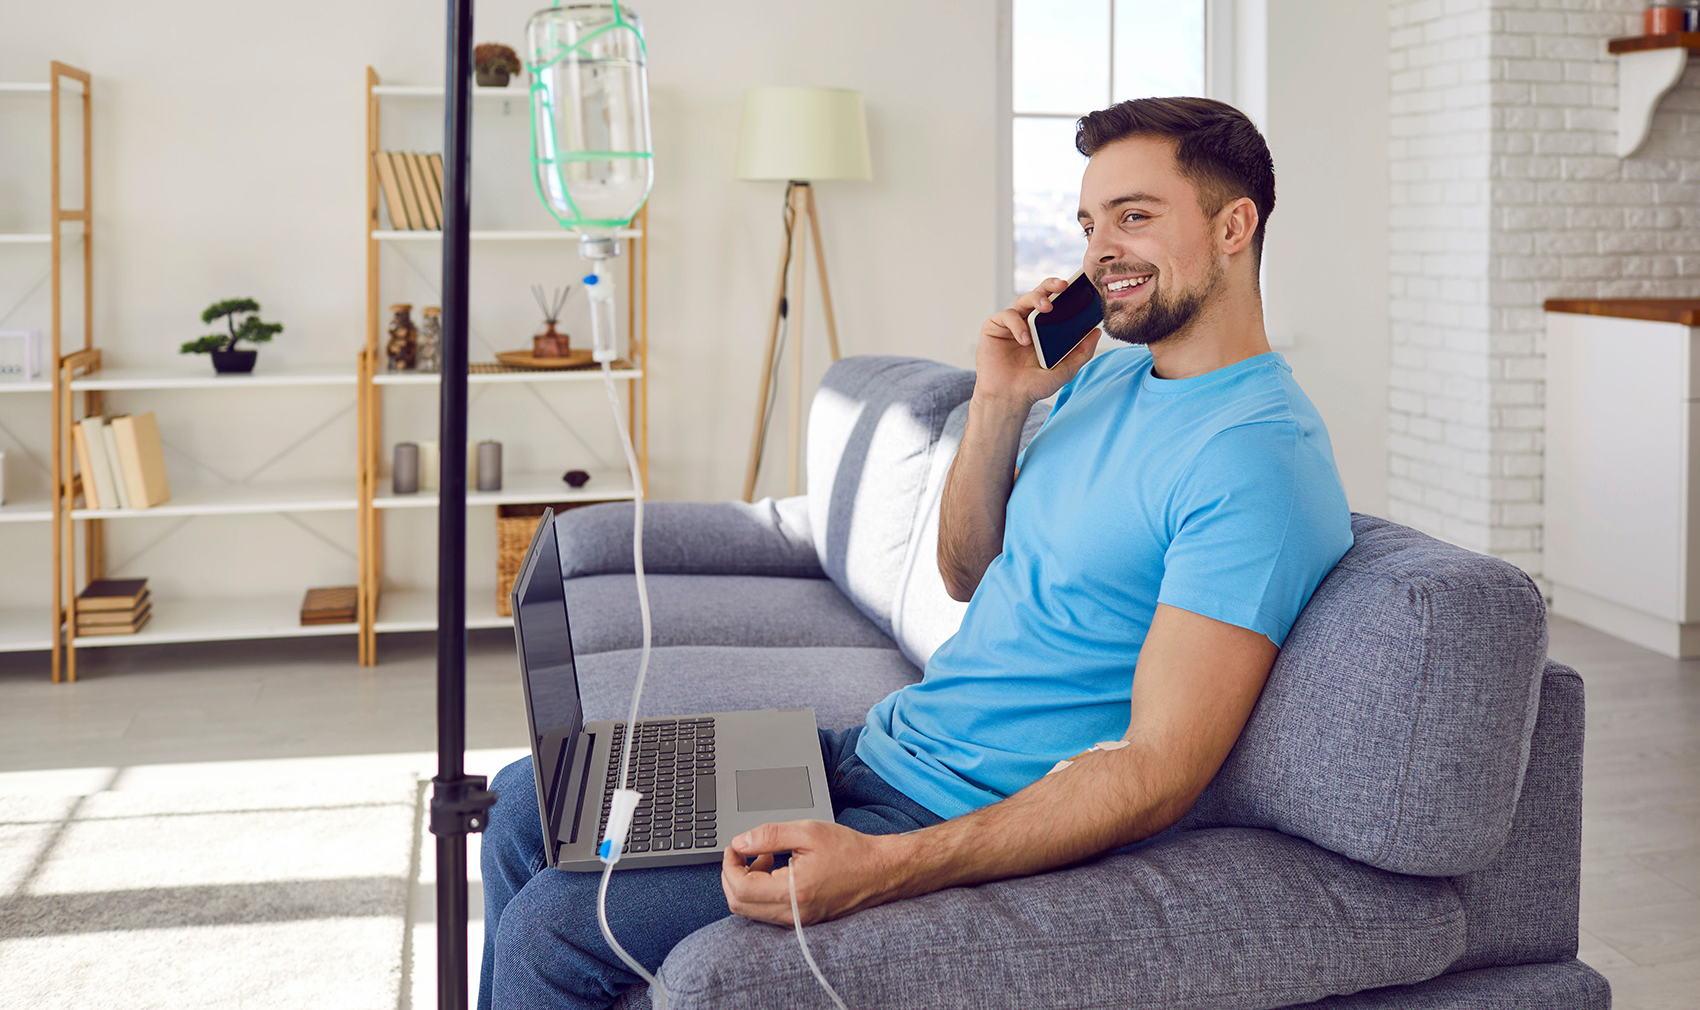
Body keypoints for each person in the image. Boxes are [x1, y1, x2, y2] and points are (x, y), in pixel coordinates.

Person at [478, 96, 1354, 1009]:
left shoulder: (1257, 461)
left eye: (1136, 216)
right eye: (1092, 222)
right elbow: (966, 573)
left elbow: (1157, 772)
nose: (1101, 251)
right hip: (879, 748)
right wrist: (1000, 404)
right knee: (521, 806)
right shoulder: (1111, 372)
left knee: (555, 930)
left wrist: (885, 865)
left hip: (949, 811)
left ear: (1234, 225)